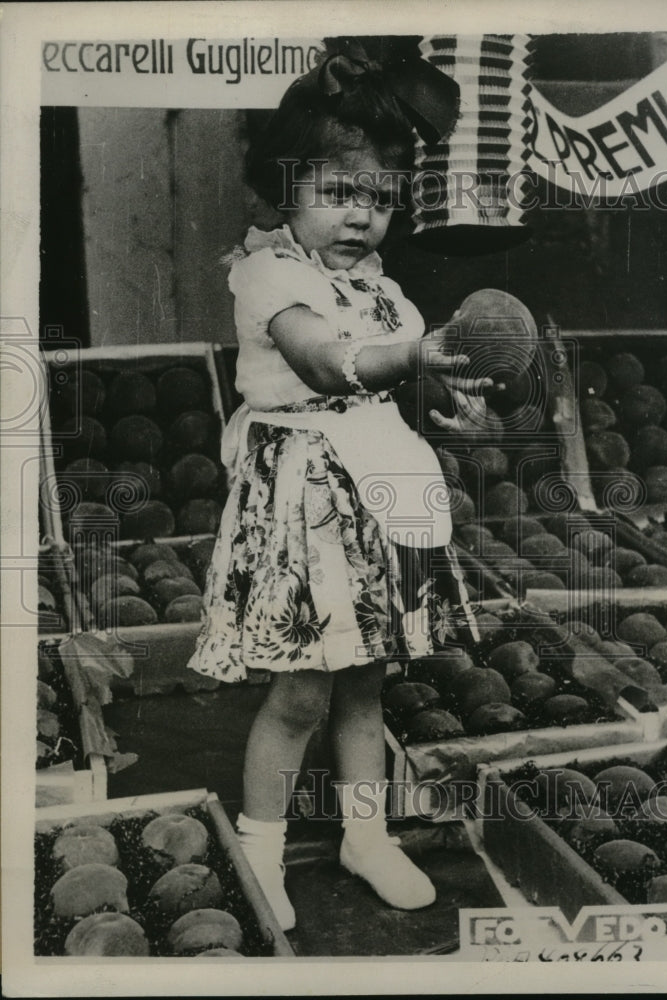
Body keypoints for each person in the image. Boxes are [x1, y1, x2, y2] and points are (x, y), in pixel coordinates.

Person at [187, 53, 486, 932]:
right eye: (339, 192)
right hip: (303, 495)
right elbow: (323, 362)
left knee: (365, 681)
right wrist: (414, 359)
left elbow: (405, 376)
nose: (361, 215)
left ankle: (365, 832)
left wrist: (454, 392)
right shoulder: (267, 275)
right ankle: (262, 848)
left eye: (381, 198)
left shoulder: (383, 289)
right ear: (286, 192)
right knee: (298, 692)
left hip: (379, 487)